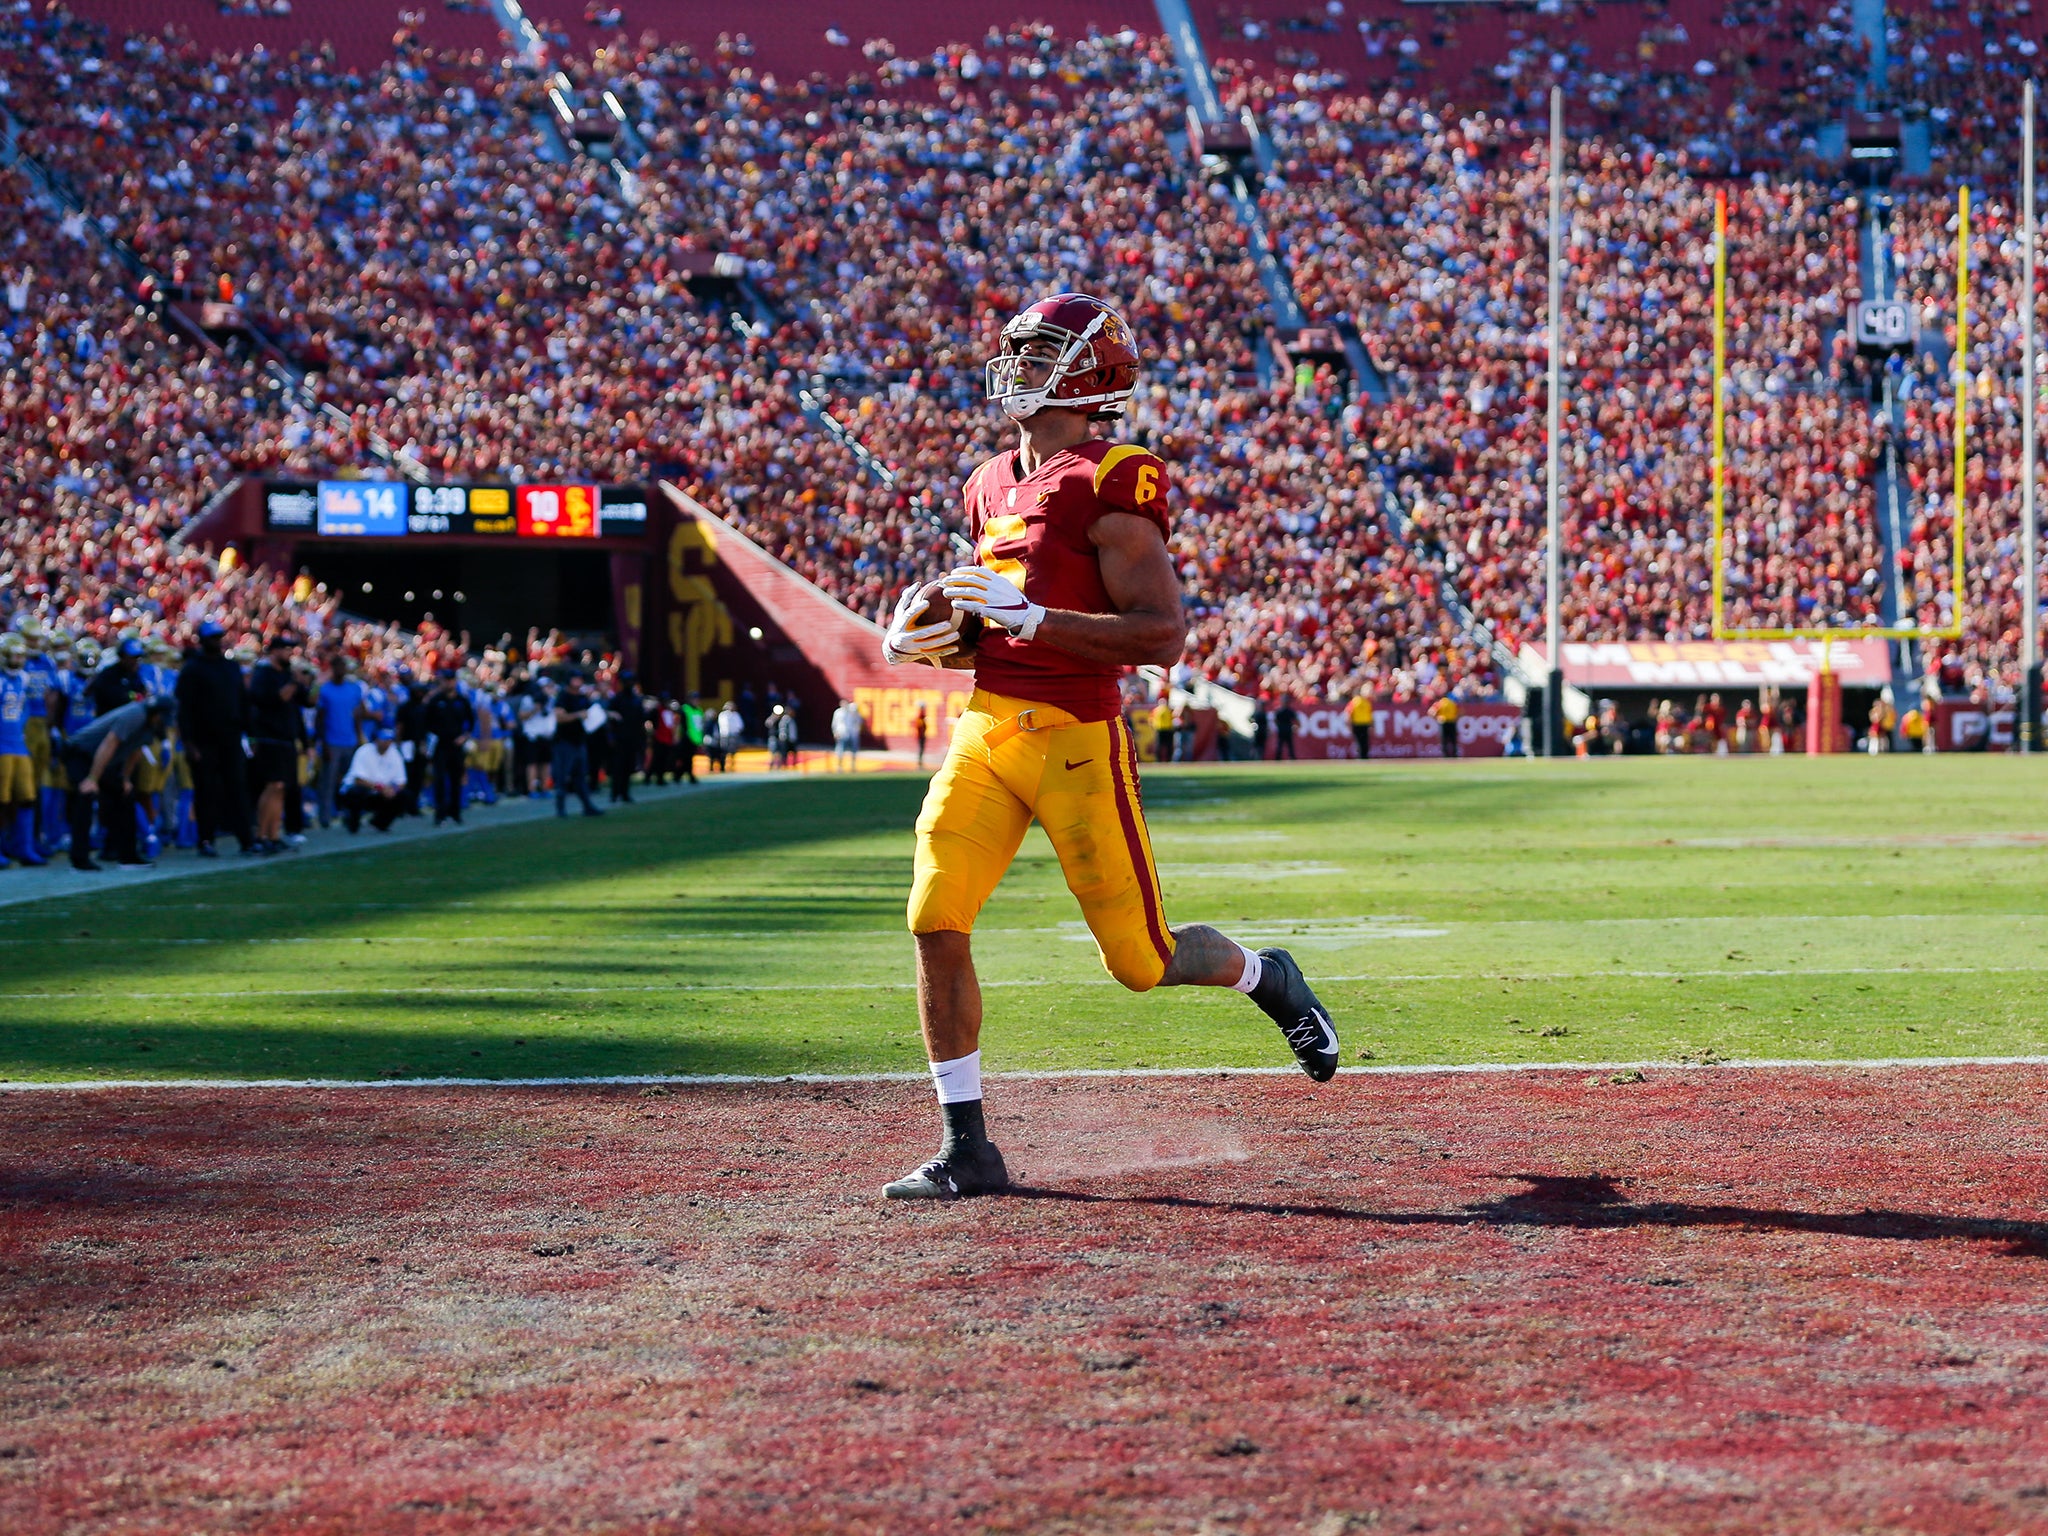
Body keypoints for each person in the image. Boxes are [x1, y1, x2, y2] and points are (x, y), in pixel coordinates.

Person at [875, 291, 1339, 1202]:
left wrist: (1032, 616)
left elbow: (1159, 636)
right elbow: (993, 632)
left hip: (1077, 739)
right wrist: (927, 636)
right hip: (987, 727)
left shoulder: (1113, 475)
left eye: (1037, 349)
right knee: (934, 914)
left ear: (1088, 370)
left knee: (1139, 961)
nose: (1013, 364)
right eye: (1015, 348)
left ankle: (1265, 976)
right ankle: (968, 1146)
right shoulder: (986, 482)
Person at [62, 696, 177, 870]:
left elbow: (135, 750)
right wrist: (93, 778)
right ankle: (79, 859)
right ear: (156, 713)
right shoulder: (135, 714)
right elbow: (110, 743)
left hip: (103, 759)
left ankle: (128, 856)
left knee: (126, 796)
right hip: (81, 753)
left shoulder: (152, 725)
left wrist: (125, 778)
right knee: (86, 794)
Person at [174, 621, 252, 857]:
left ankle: (246, 839)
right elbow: (184, 709)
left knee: (237, 788)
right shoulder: (192, 669)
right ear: (202, 640)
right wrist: (188, 743)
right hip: (203, 740)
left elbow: (242, 701)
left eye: (219, 636)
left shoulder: (231, 667)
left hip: (230, 738)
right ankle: (205, 840)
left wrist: (248, 733)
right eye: (213, 637)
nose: (217, 641)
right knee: (205, 791)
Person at [245, 635, 303, 854]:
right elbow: (272, 699)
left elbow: (307, 700)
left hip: (286, 739)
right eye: (287, 650)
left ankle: (274, 835)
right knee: (273, 785)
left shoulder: (287, 675)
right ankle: (260, 835)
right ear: (275, 651)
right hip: (269, 738)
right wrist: (294, 683)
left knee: (281, 789)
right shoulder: (264, 674)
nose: (290, 654)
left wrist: (314, 683)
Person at [0, 634, 45, 866]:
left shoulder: (24, 679)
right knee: (2, 800)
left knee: (27, 797)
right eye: (13, 655)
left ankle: (23, 847)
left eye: (20, 655)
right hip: (2, 747)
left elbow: (25, 709)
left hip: (19, 745)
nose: (17, 659)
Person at [312, 652, 365, 828]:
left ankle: (349, 814)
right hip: (332, 742)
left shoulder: (353, 688)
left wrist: (359, 737)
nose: (342, 670)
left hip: (350, 741)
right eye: (339, 666)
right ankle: (325, 817)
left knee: (349, 781)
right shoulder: (325, 689)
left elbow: (357, 715)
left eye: (344, 666)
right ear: (333, 668)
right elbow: (319, 718)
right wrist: (324, 743)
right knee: (328, 781)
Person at [422, 667, 472, 824]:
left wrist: (464, 736)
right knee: (440, 779)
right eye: (446, 680)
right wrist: (427, 742)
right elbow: (426, 723)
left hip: (456, 745)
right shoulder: (436, 701)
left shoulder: (461, 701)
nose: (449, 683)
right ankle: (440, 813)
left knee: (456, 779)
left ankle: (455, 812)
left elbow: (471, 721)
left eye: (451, 680)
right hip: (440, 745)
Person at [552, 671, 603, 817]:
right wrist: (577, 715)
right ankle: (560, 809)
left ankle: (587, 806)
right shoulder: (563, 696)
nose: (578, 682)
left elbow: (590, 712)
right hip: (564, 742)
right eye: (575, 679)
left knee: (580, 776)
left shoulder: (582, 697)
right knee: (563, 776)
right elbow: (559, 717)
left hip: (579, 741)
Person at [338, 727, 407, 832]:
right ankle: (352, 823)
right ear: (376, 740)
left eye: (389, 740)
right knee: (357, 792)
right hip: (361, 790)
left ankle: (380, 823)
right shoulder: (364, 751)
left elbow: (401, 781)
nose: (387, 743)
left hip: (380, 792)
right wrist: (381, 788)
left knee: (404, 795)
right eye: (384, 740)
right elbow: (358, 780)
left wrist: (393, 790)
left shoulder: (395, 753)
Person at [607, 672, 646, 802]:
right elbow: (610, 721)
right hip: (619, 739)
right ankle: (615, 793)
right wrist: (611, 737)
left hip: (632, 739)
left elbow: (641, 721)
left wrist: (641, 739)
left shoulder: (637, 700)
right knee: (618, 767)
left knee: (629, 767)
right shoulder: (616, 700)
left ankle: (624, 792)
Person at [831, 697, 863, 772]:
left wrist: (855, 713)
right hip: (842, 733)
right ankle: (839, 766)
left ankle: (853, 766)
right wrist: (835, 732)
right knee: (840, 750)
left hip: (852, 734)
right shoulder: (838, 712)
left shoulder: (852, 711)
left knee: (854, 751)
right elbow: (834, 723)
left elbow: (859, 720)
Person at [1431, 692, 1460, 759]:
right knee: (1453, 739)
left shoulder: (1439, 703)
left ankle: (1445, 755)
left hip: (1443, 722)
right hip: (1452, 722)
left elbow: (1431, 712)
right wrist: (1455, 718)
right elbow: (1459, 712)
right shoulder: (1452, 703)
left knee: (1444, 740)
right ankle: (1455, 754)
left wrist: (1437, 718)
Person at [1347, 689, 1373, 759]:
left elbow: (1348, 713)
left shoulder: (1353, 702)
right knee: (1365, 741)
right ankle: (1365, 756)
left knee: (1359, 741)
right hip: (1365, 724)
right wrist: (1371, 725)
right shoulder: (1366, 702)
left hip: (1357, 724)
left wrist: (1349, 725)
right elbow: (1370, 714)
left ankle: (1361, 757)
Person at [912, 700, 930, 769]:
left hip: (921, 734)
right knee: (920, 748)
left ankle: (920, 761)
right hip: (920, 735)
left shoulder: (921, 716)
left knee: (921, 749)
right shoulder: (920, 716)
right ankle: (919, 762)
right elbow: (919, 725)